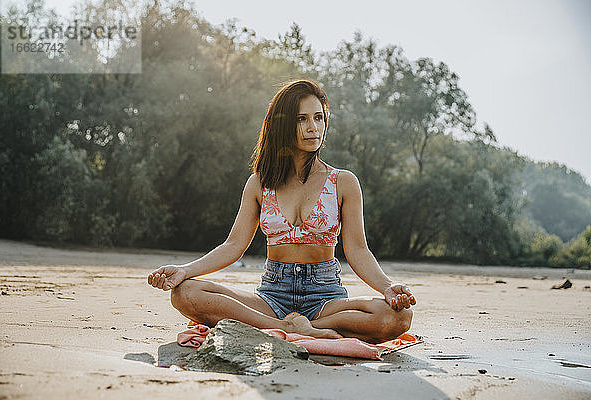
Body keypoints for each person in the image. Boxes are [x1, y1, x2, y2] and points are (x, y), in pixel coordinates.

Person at [147, 79, 415, 343]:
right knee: (185, 292)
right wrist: (184, 270)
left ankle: (298, 327)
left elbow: (357, 250)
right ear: (283, 124)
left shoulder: (343, 182)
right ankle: (287, 327)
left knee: (398, 317)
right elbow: (233, 245)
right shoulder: (260, 183)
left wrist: (386, 287)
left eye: (319, 118)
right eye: (302, 119)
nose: (313, 128)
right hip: (272, 296)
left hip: (325, 299)